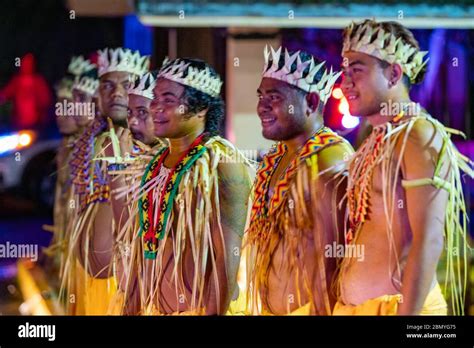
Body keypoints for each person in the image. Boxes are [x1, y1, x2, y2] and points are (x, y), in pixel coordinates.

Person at [334, 19, 473, 315]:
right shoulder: (375, 140)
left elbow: (429, 239)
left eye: (356, 70)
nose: (344, 82)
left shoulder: (420, 135)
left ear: (394, 73)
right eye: (344, 72)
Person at [106, 58, 253, 315]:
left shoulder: (221, 163)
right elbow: (139, 251)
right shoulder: (153, 165)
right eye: (155, 98)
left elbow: (227, 256)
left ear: (200, 109)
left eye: (168, 100)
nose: (156, 107)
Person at [242, 46, 354, 315]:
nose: (262, 107)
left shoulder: (330, 159)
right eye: (261, 96)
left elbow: (334, 259)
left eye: (274, 97)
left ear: (312, 103)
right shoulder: (276, 157)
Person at [61, 47, 150, 315]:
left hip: (126, 289)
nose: (117, 93)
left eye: (127, 84)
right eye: (108, 85)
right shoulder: (88, 141)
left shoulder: (152, 146)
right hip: (88, 283)